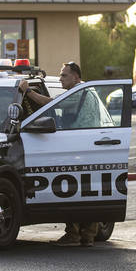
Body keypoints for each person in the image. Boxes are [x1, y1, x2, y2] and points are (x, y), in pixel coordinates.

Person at [18, 61, 100, 247]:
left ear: (76, 77)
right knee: (87, 192)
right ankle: (87, 235)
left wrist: (28, 92)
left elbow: (53, 104)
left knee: (71, 191)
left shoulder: (79, 92)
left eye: (64, 75)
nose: (60, 78)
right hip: (88, 147)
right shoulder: (86, 90)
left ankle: (74, 234)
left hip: (79, 149)